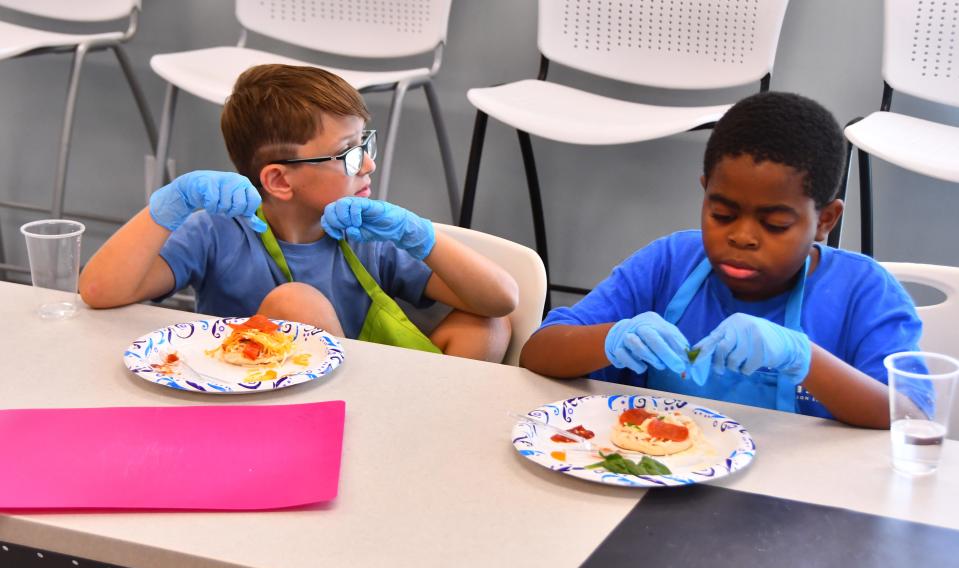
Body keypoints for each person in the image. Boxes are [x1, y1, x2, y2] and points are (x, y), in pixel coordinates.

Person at [520, 91, 922, 428]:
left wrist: (803, 358)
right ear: (704, 193)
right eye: (722, 215)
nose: (742, 237)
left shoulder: (862, 291)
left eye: (775, 224)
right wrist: (609, 339)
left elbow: (910, 418)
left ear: (825, 220)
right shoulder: (669, 263)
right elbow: (537, 352)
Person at [80, 64, 518, 362]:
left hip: (377, 394)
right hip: (259, 402)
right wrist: (168, 208)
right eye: (348, 154)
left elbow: (501, 301)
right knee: (296, 301)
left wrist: (419, 234)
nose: (368, 164)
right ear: (280, 180)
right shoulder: (216, 231)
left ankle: (425, 434)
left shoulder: (366, 232)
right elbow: (99, 291)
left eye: (365, 144)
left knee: (487, 324)